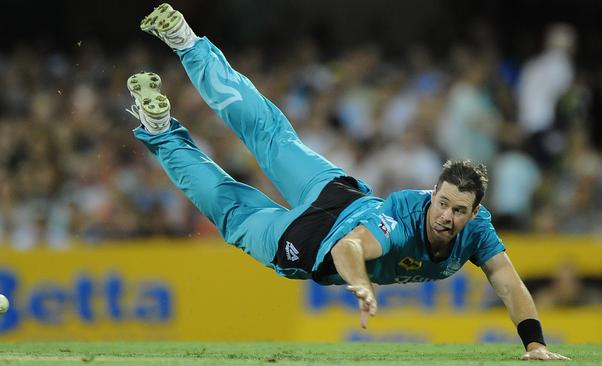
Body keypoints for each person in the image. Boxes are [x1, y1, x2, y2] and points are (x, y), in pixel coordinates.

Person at [126, 4, 569, 361]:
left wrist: (534, 344)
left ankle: (180, 68)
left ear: (475, 213)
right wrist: (360, 283)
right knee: (232, 209)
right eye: (443, 204)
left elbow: (509, 283)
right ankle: (171, 103)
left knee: (269, 135)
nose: (446, 216)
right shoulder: (403, 221)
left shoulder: (477, 230)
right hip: (314, 240)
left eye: (458, 211)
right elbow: (349, 248)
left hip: (336, 191)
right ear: (432, 195)